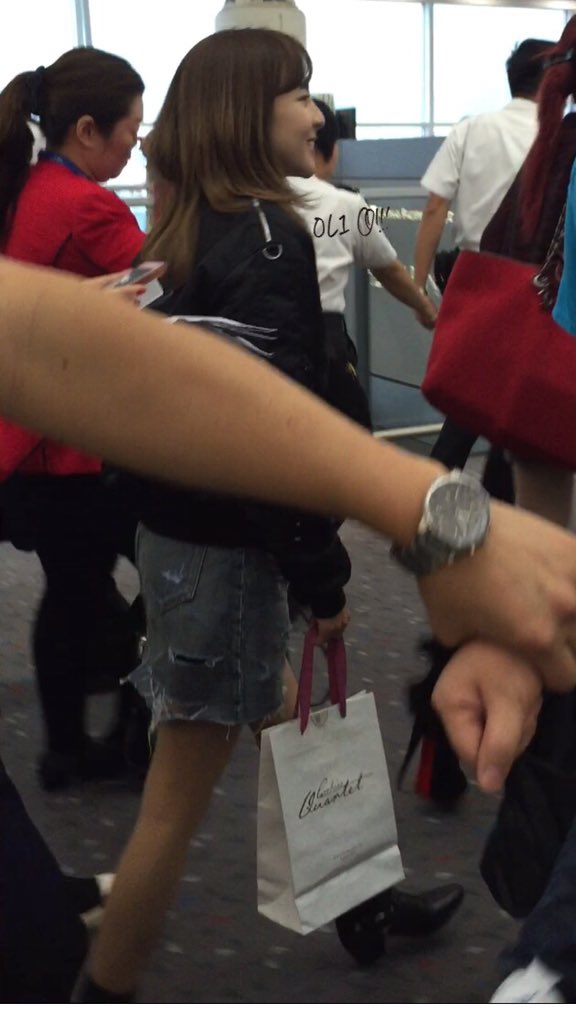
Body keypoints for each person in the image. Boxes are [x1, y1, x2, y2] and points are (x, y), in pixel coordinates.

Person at [25, 28, 559, 1002]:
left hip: (177, 546)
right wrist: (326, 581)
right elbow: (260, 447)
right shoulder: (274, 237)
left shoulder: (179, 229)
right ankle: (103, 990)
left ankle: (364, 900)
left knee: (281, 712)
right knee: (174, 807)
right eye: (299, 94)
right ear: (250, 111)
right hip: (228, 556)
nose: (316, 114)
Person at [286, 100, 461, 964]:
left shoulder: (210, 218)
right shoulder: (321, 212)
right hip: (261, 525)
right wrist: (432, 317)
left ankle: (362, 902)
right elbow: (397, 281)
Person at [407, 38, 554, 805]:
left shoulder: (481, 127)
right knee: (518, 469)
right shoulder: (555, 137)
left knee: (468, 438)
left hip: (492, 289)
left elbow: (436, 206)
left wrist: (426, 286)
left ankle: (431, 523)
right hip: (547, 316)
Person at [0, 46, 149, 790]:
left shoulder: (34, 186)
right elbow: (169, 286)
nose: (136, 148)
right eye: (131, 133)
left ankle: (68, 749)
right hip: (68, 450)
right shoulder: (88, 204)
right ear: (86, 130)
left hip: (34, 442)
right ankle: (132, 726)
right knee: (170, 574)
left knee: (70, 592)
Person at [288, 99, 436, 429]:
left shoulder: (259, 198)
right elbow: (388, 268)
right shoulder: (347, 203)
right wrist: (424, 307)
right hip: (325, 341)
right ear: (331, 149)